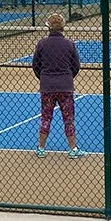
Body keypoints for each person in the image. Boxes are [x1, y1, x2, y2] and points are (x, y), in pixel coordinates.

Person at [32, 13, 87, 158]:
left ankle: (41, 148)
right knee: (68, 119)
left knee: (45, 117)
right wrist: (67, 77)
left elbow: (35, 65)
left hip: (47, 87)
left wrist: (44, 77)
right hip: (65, 87)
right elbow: (76, 65)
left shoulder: (42, 44)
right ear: (63, 27)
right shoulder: (69, 44)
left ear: (48, 27)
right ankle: (73, 149)